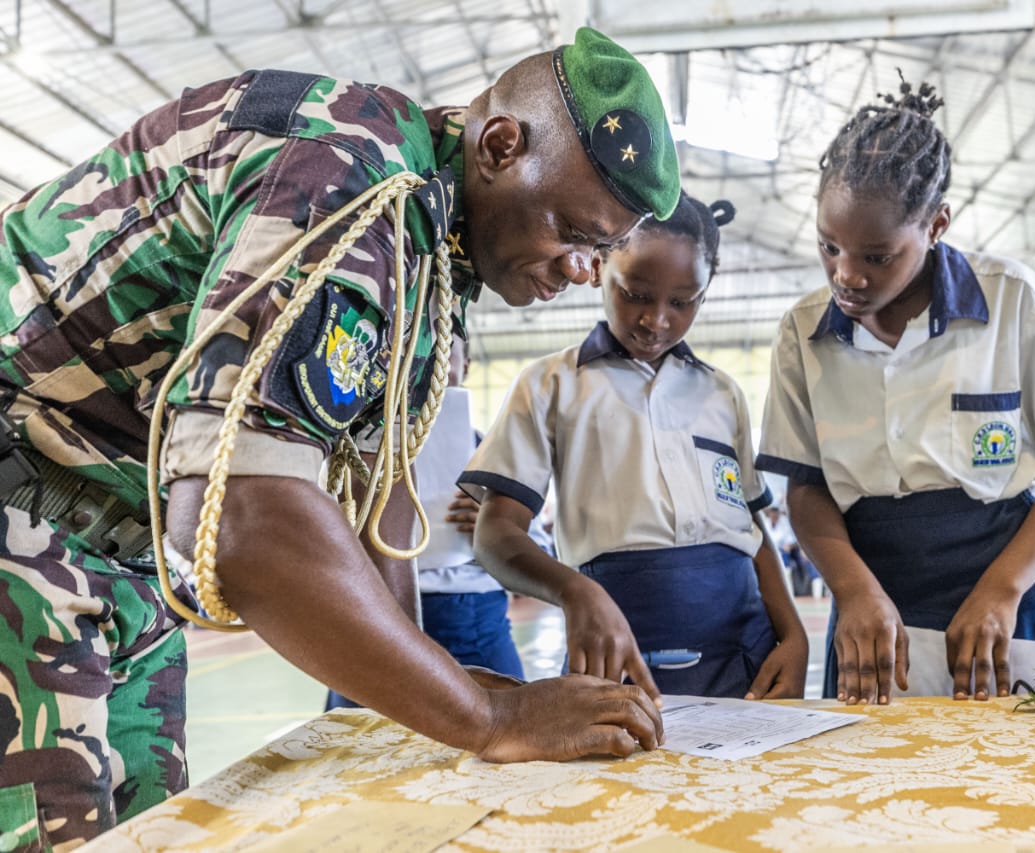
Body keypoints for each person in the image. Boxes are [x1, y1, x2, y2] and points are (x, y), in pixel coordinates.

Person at [0, 27, 680, 849]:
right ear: (502, 145)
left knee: (156, 832)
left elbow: (378, 486)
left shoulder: (435, 249)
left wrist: (433, 678)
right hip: (24, 511)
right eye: (575, 232)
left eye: (602, 250)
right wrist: (488, 713)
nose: (583, 271)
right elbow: (240, 524)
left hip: (118, 548)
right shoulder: (347, 180)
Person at [755, 73, 1035, 706]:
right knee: (881, 794)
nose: (846, 275)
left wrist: (1002, 590)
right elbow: (807, 489)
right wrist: (852, 592)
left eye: (877, 256)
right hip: (874, 611)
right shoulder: (803, 332)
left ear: (936, 225)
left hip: (1013, 594)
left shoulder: (1013, 301)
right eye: (829, 247)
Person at [461, 193, 808, 700]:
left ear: (705, 294)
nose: (657, 320)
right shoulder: (551, 386)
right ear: (599, 266)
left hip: (745, 659)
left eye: (682, 301)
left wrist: (794, 635)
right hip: (614, 658)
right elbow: (494, 534)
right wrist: (575, 592)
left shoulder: (722, 393)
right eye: (636, 294)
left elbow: (752, 530)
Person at [325, 334, 523, 711]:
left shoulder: (491, 454)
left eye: (443, 356)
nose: (426, 368)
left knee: (499, 740)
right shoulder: (344, 449)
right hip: (368, 611)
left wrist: (497, 527)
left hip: (467, 615)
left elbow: (538, 550)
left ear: (464, 368)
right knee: (358, 745)